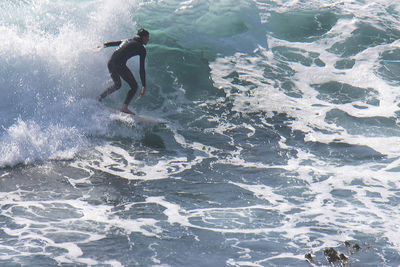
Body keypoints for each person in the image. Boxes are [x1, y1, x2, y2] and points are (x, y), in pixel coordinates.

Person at [97, 29, 149, 115]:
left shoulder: (127, 40)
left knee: (117, 85)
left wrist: (101, 46)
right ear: (143, 37)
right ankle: (124, 108)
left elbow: (110, 44)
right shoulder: (142, 48)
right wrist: (144, 85)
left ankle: (99, 98)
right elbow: (141, 69)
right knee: (134, 86)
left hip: (110, 62)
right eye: (147, 37)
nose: (148, 40)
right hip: (119, 64)